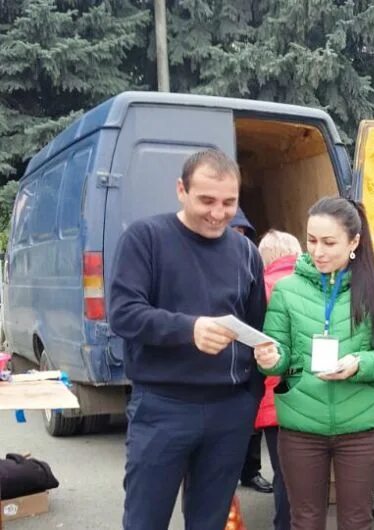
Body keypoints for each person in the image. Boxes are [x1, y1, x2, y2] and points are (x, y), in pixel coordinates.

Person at [109, 149, 266, 530]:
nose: (218, 213)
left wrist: (252, 394)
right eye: (206, 200)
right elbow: (123, 314)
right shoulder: (145, 238)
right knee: (146, 520)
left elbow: (258, 328)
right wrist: (188, 329)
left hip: (229, 411)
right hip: (163, 407)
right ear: (181, 190)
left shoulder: (246, 251)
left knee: (210, 523)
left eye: (229, 202)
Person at [253, 197, 374, 530]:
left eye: (328, 242)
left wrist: (360, 363)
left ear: (354, 242)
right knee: (305, 521)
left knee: (355, 521)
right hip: (300, 428)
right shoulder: (287, 290)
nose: (318, 251)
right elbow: (277, 351)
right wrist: (270, 359)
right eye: (311, 240)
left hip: (361, 429)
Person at [255, 229, 303, 530]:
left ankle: (284, 525)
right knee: (305, 473)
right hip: (310, 393)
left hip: (273, 396)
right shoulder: (312, 286)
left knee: (283, 473)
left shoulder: (259, 287)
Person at [230, 208, 275, 495]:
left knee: (250, 420)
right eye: (234, 233)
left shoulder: (249, 263)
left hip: (248, 355)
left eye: (243, 234)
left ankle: (250, 471)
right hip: (216, 358)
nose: (238, 239)